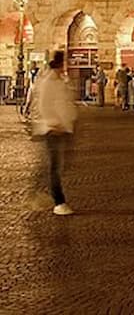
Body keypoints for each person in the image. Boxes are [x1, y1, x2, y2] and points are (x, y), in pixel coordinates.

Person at [31, 51, 78, 215]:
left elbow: (66, 102)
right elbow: (43, 104)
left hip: (64, 128)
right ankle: (59, 202)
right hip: (53, 130)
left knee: (60, 165)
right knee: (55, 167)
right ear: (59, 64)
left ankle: (39, 187)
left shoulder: (60, 80)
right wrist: (53, 123)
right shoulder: (48, 82)